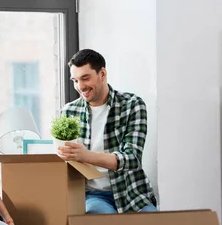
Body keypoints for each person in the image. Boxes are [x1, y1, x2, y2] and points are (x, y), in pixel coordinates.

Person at [58, 49, 157, 214]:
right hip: (93, 196)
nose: (80, 86)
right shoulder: (68, 112)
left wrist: (86, 156)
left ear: (102, 74)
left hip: (131, 193)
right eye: (75, 80)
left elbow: (132, 159)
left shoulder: (132, 105)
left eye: (85, 78)